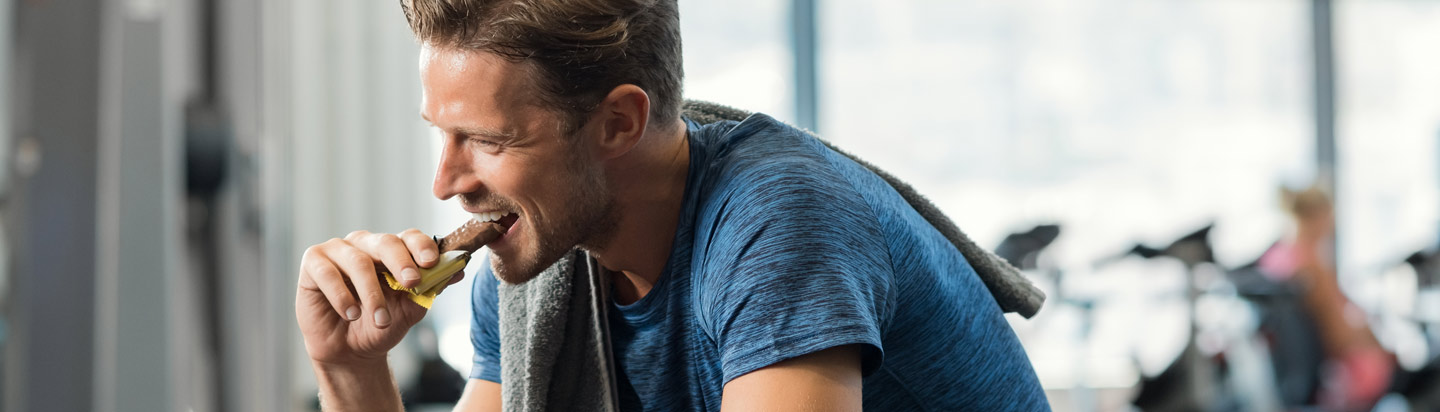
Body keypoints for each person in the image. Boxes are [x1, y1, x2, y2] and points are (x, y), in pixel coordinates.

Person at [294, 0, 1050, 410]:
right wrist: (351, 372)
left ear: (619, 121)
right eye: (443, 135)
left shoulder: (779, 222)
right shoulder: (537, 259)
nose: (447, 183)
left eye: (487, 140)